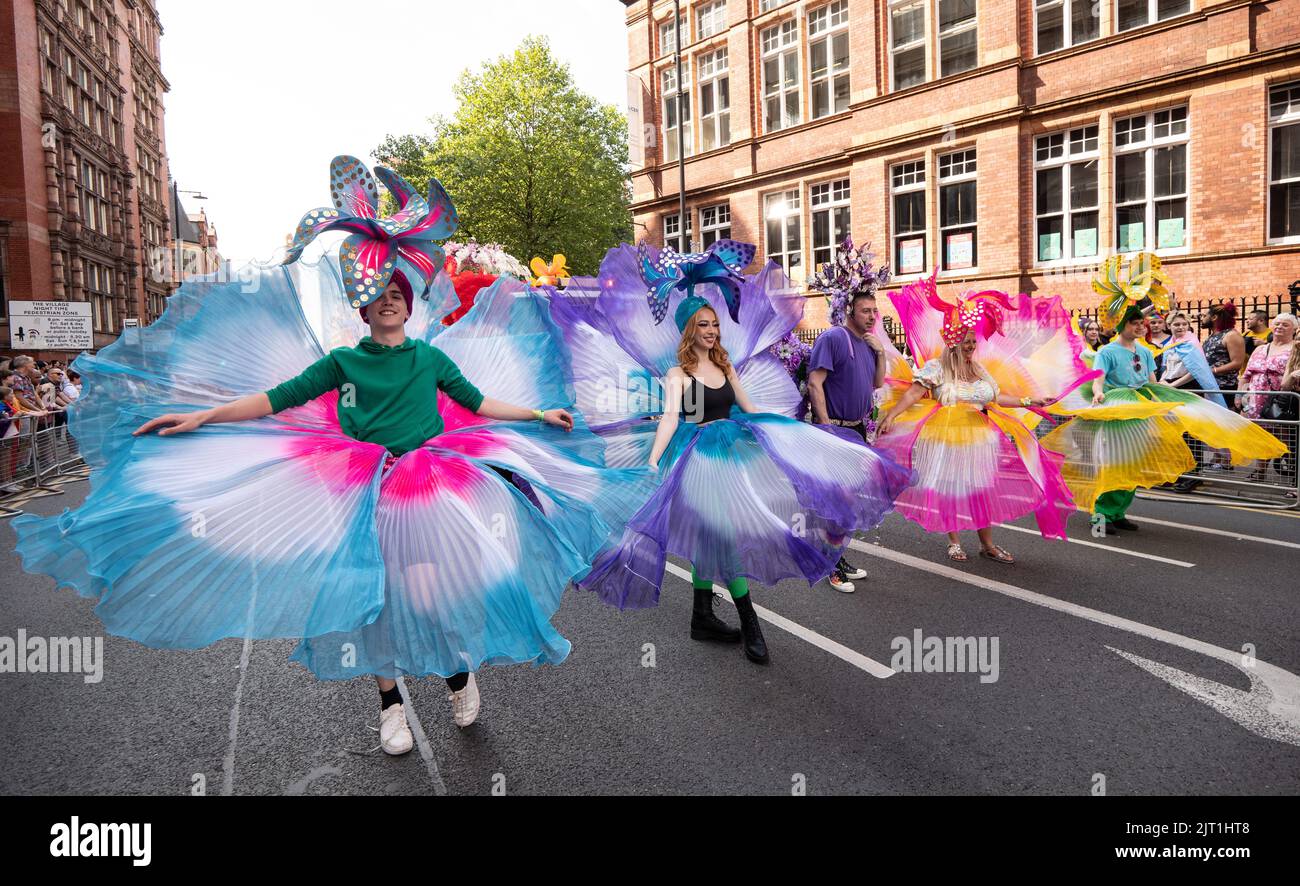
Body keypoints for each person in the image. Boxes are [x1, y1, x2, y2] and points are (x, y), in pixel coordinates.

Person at [13, 156, 652, 755]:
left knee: (437, 589)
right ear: (366, 306)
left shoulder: (430, 357)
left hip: (429, 481)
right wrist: (204, 415)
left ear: (407, 300)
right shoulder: (341, 362)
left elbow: (481, 403)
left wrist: (540, 413)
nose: (392, 301)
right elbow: (271, 399)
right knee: (369, 597)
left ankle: (458, 679)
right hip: (363, 487)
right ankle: (390, 708)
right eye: (381, 296)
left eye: (399, 293)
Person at [556, 241, 913, 665]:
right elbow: (671, 418)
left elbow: (750, 408)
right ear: (689, 330)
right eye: (704, 324)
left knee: (715, 536)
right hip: (693, 458)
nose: (711, 330)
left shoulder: (726, 367)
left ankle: (702, 614)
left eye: (715, 324)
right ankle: (749, 623)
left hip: (729, 451)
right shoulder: (677, 373)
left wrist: (790, 431)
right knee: (722, 538)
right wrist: (653, 460)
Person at [1044, 255, 1287, 528]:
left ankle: (1118, 514)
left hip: (1141, 407)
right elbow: (1098, 378)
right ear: (1124, 325)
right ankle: (1101, 516)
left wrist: (1175, 397)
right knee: (1112, 464)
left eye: (1142, 324)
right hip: (1116, 410)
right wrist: (1099, 392)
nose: (1141, 327)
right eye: (1135, 323)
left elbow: (1152, 381)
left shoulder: (1146, 352)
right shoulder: (1108, 351)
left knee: (1133, 464)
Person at [874, 274, 1079, 563]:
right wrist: (892, 415)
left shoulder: (980, 370)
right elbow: (912, 394)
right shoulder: (937, 368)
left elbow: (995, 398)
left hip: (981, 438)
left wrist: (1030, 401)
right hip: (946, 437)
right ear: (954, 342)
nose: (971, 346)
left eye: (973, 341)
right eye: (967, 341)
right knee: (952, 490)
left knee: (980, 490)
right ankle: (954, 541)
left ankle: (987, 545)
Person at [806, 288, 885, 592]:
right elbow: (815, 382)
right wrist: (825, 427)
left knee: (849, 500)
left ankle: (836, 556)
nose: (871, 317)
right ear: (850, 310)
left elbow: (877, 382)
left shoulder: (866, 344)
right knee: (837, 501)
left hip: (856, 430)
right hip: (833, 430)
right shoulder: (833, 338)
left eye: (874, 312)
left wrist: (879, 352)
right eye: (866, 311)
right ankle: (829, 565)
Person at [1240, 313, 1297, 484]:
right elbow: (1246, 375)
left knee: (1286, 436)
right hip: (1256, 399)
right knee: (1260, 435)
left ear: (1294, 330)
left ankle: (1295, 475)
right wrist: (1239, 394)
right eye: (1277, 323)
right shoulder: (1260, 349)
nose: (1279, 327)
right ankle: (1260, 471)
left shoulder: (1295, 348)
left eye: (1285, 325)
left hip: (1281, 400)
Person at [1201, 301, 1246, 407]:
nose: (1202, 319)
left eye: (1204, 315)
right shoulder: (1213, 336)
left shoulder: (1231, 335)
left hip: (1225, 387)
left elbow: (1237, 363)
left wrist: (1213, 371)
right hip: (1209, 385)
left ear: (1214, 317)